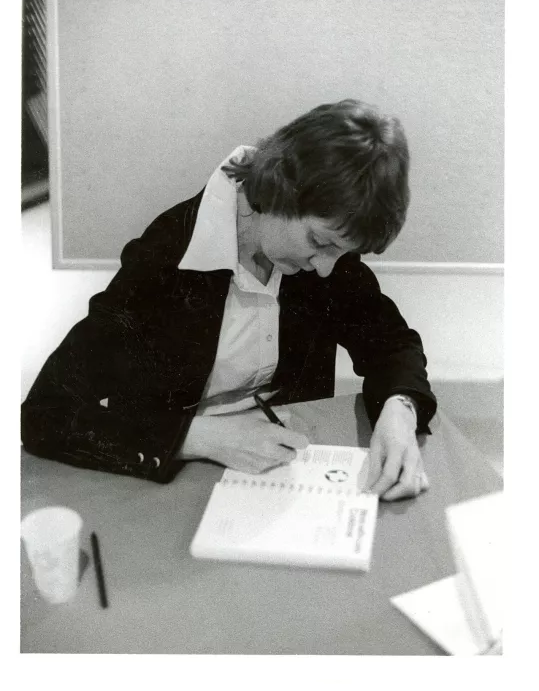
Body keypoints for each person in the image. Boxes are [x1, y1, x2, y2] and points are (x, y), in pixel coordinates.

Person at [21, 99, 437, 501]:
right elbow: (45, 415)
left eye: (341, 253)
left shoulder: (324, 252)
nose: (328, 269)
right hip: (169, 482)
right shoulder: (166, 257)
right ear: (280, 190)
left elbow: (391, 344)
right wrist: (196, 436)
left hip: (284, 473)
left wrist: (399, 413)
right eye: (319, 243)